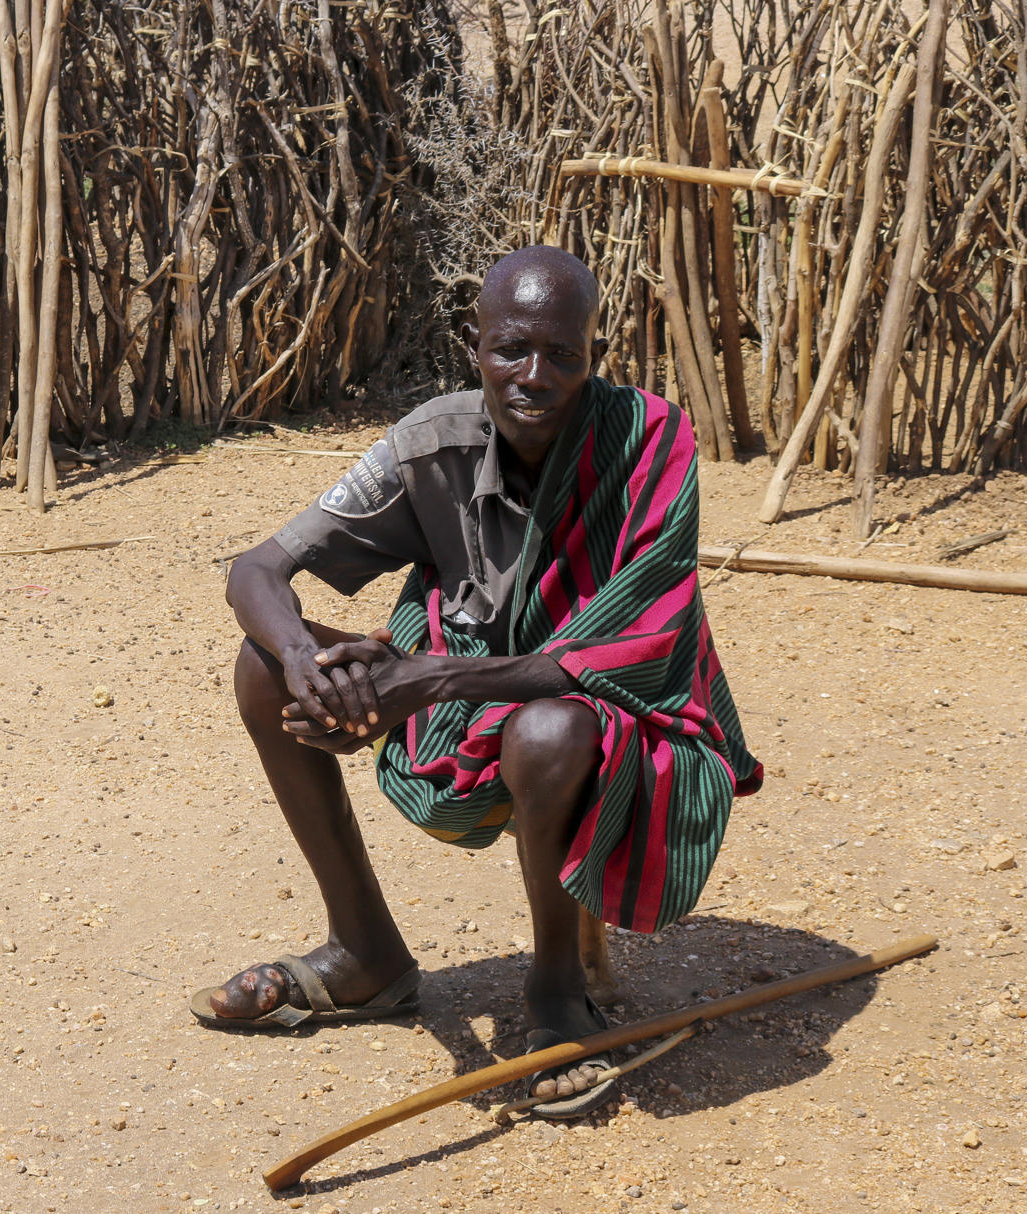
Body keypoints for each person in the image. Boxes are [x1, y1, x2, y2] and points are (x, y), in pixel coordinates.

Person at [189, 246, 761, 1117]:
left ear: (592, 357)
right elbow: (256, 571)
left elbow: (642, 640)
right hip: (455, 696)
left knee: (548, 726)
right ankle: (365, 955)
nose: (535, 376)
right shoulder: (433, 443)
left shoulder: (650, 442)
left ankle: (556, 991)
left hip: (620, 717)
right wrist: (316, 674)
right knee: (264, 668)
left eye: (563, 354)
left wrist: (429, 680)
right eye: (511, 349)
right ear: (475, 343)